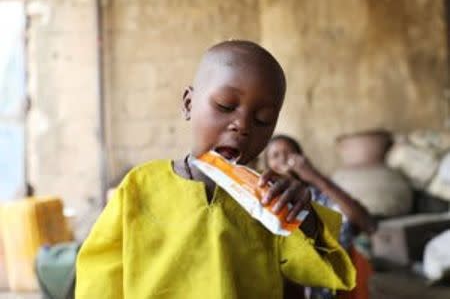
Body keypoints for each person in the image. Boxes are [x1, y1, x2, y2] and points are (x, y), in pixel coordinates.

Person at [75, 40, 356, 299]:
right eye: (225, 106)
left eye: (262, 120)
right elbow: (99, 279)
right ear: (188, 104)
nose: (242, 126)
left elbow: (322, 271)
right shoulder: (140, 186)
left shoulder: (270, 201)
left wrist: (303, 217)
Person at [265, 134, 377, 298]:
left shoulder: (318, 192)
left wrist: (314, 176)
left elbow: (368, 224)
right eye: (275, 155)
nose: (283, 159)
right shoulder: (265, 199)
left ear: (302, 159)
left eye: (289, 153)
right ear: (266, 166)